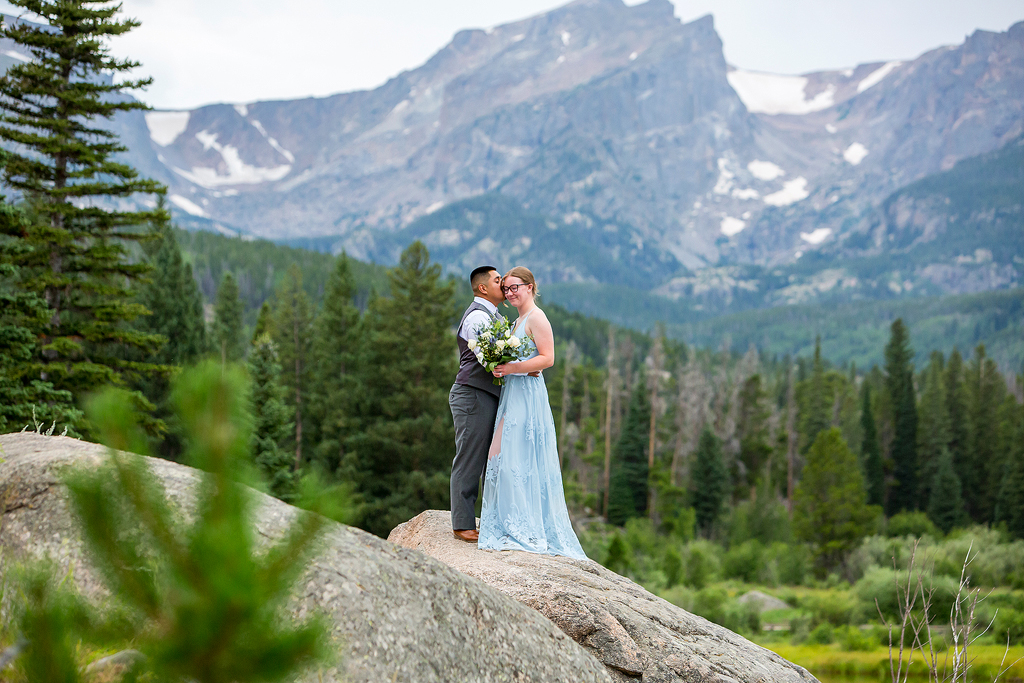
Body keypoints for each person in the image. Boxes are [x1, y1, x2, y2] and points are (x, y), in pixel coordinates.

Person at [478, 267, 587, 559]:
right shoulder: (516, 322)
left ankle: (525, 528)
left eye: (516, 287)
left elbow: (548, 358)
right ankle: (510, 521)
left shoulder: (537, 317)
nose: (511, 292)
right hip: (513, 393)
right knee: (500, 455)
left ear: (530, 287)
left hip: (528, 396)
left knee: (517, 456)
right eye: (508, 288)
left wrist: (512, 368)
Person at [448, 265, 505, 542]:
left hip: (483, 394)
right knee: (470, 457)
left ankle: (477, 519)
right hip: (471, 394)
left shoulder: (493, 317)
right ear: (483, 288)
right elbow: (489, 360)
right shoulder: (478, 319)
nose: (503, 283)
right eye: (497, 280)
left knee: (486, 458)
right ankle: (462, 525)